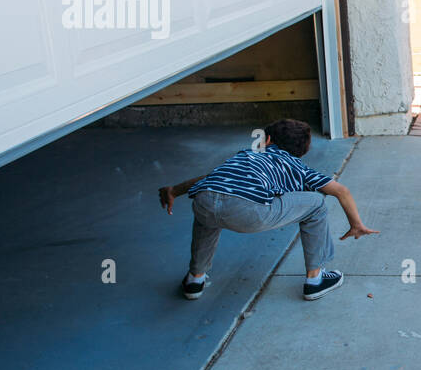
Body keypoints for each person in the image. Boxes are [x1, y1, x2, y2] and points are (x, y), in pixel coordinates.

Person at [158, 119, 377, 301]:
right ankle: (315, 279)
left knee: (210, 212)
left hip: (204, 200)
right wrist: (356, 224)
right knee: (317, 202)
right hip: (248, 211)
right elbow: (340, 190)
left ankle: (195, 278)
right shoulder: (297, 166)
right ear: (301, 151)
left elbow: (210, 178)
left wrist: (174, 190)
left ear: (268, 140)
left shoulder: (245, 154)